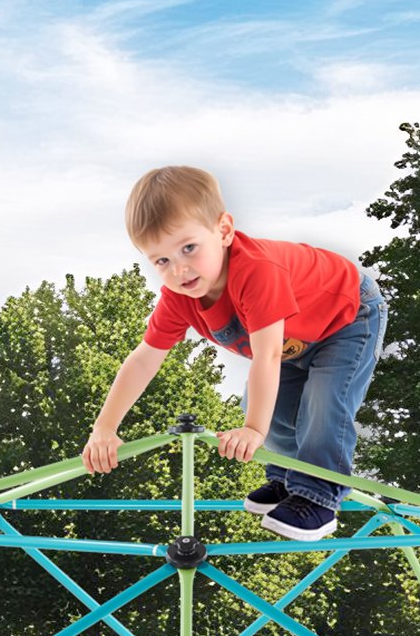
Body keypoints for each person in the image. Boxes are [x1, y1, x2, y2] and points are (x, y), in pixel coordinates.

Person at [82, 165, 386, 541]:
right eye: (161, 260)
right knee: (262, 406)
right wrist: (105, 427)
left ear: (223, 231)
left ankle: (319, 496)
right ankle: (287, 479)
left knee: (324, 403)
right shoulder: (179, 298)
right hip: (295, 338)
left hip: (348, 317)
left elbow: (267, 357)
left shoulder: (256, 272)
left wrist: (252, 431)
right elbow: (145, 358)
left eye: (188, 248)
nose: (179, 269)